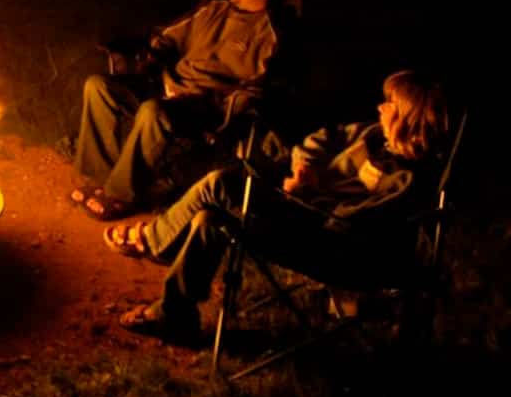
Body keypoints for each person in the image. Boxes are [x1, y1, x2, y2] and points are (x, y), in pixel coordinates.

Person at [109, 70, 449, 343]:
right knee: (209, 218)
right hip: (302, 211)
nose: (380, 107)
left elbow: (352, 224)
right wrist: (306, 167)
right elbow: (322, 138)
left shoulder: (406, 180)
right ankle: (176, 315)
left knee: (221, 184)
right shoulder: (373, 135)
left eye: (390, 105)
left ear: (409, 121)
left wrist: (310, 193)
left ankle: (154, 241)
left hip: (329, 245)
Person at [71, 0, 283, 220]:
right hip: (168, 85)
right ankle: (104, 179)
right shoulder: (214, 9)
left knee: (153, 112)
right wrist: (150, 59)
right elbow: (170, 38)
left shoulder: (273, 35)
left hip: (206, 105)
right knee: (98, 86)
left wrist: (213, 103)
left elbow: (256, 91)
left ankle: (120, 196)